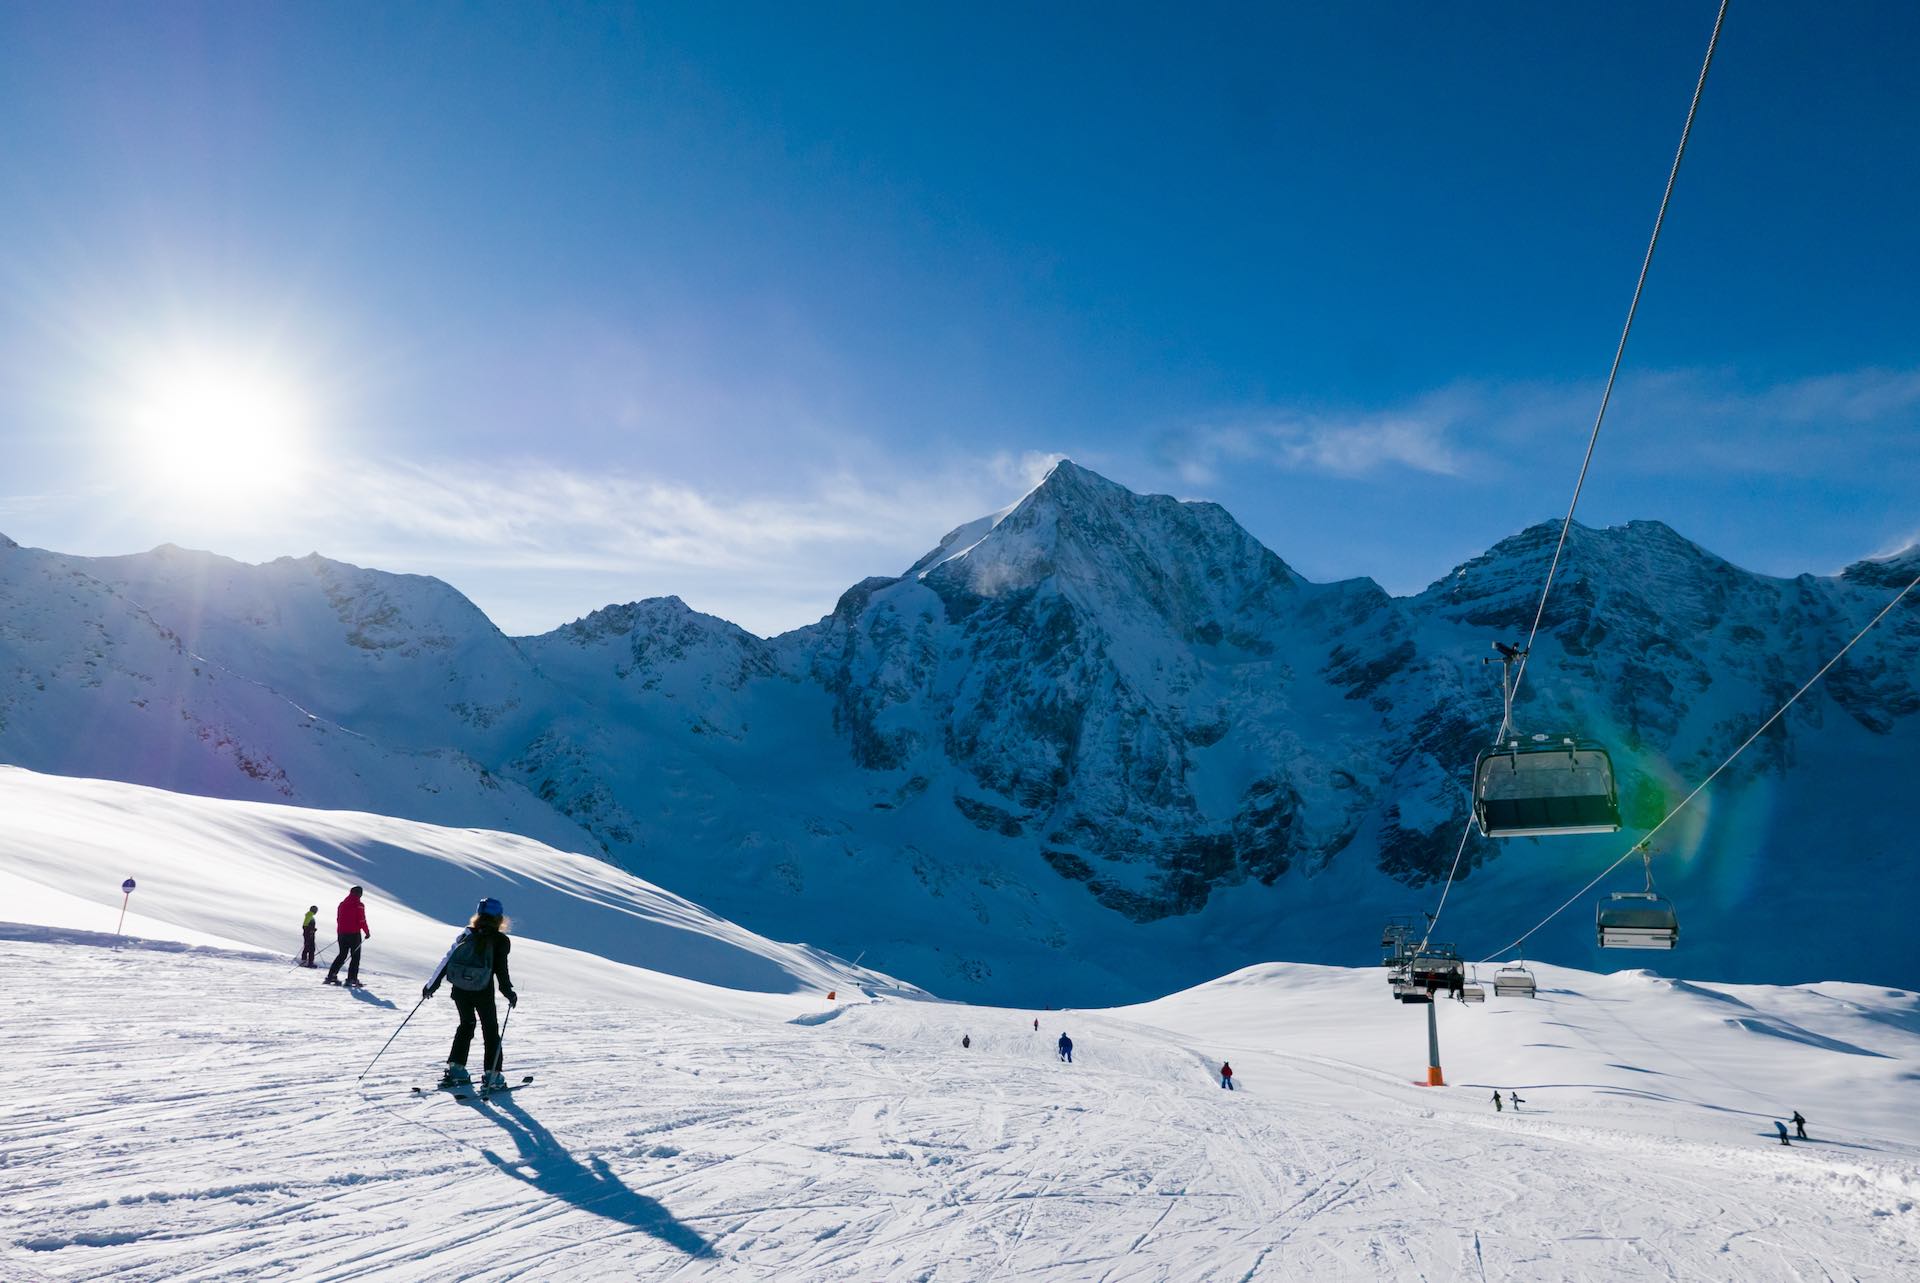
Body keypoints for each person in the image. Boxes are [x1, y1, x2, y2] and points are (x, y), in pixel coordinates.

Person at [423, 897, 519, 1091]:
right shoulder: (500, 940)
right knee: (490, 1030)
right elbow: (501, 970)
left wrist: (431, 986)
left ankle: (456, 1070)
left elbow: (448, 959)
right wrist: (508, 992)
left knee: (466, 1025)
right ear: (499, 918)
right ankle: (492, 1076)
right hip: (483, 991)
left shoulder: (467, 934)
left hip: (460, 990)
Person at [322, 886, 371, 987]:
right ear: (360, 894)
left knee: (342, 955)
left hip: (341, 933)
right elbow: (362, 920)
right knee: (355, 957)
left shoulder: (342, 904)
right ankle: (351, 979)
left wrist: (342, 930)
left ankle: (331, 976)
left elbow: (338, 918)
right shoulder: (359, 905)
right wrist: (367, 932)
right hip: (354, 934)